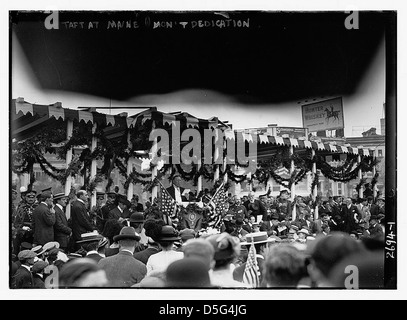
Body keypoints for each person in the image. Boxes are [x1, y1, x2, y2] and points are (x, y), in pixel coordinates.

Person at [13, 188, 38, 254]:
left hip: (35, 233)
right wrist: (22, 227)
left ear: (35, 198)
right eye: (29, 197)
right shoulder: (21, 208)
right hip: (23, 234)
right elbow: (16, 223)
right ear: (25, 198)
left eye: (33, 197)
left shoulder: (38, 207)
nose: (31, 199)